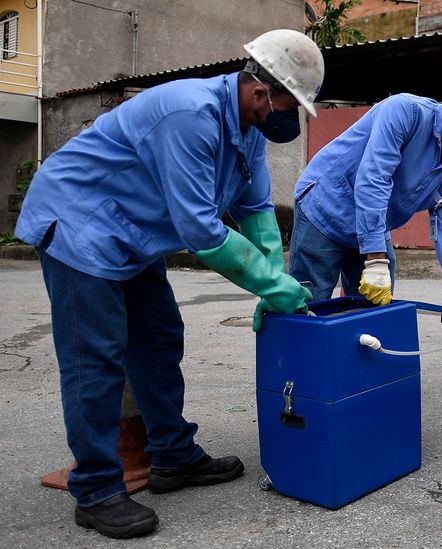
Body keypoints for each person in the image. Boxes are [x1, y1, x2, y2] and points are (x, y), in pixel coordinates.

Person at [14, 29, 324, 538]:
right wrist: (272, 285)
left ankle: (173, 456)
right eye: (294, 106)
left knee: (159, 338)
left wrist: (276, 282)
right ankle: (96, 489)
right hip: (80, 225)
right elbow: (202, 231)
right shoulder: (190, 114)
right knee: (97, 359)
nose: (292, 119)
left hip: (133, 234)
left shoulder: (247, 125)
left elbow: (256, 209)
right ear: (262, 92)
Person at [289, 64, 442, 352]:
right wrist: (376, 259)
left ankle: (352, 386)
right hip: (326, 208)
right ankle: (296, 386)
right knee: (308, 306)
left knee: (374, 312)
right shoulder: (404, 112)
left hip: (374, 222)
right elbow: (373, 179)